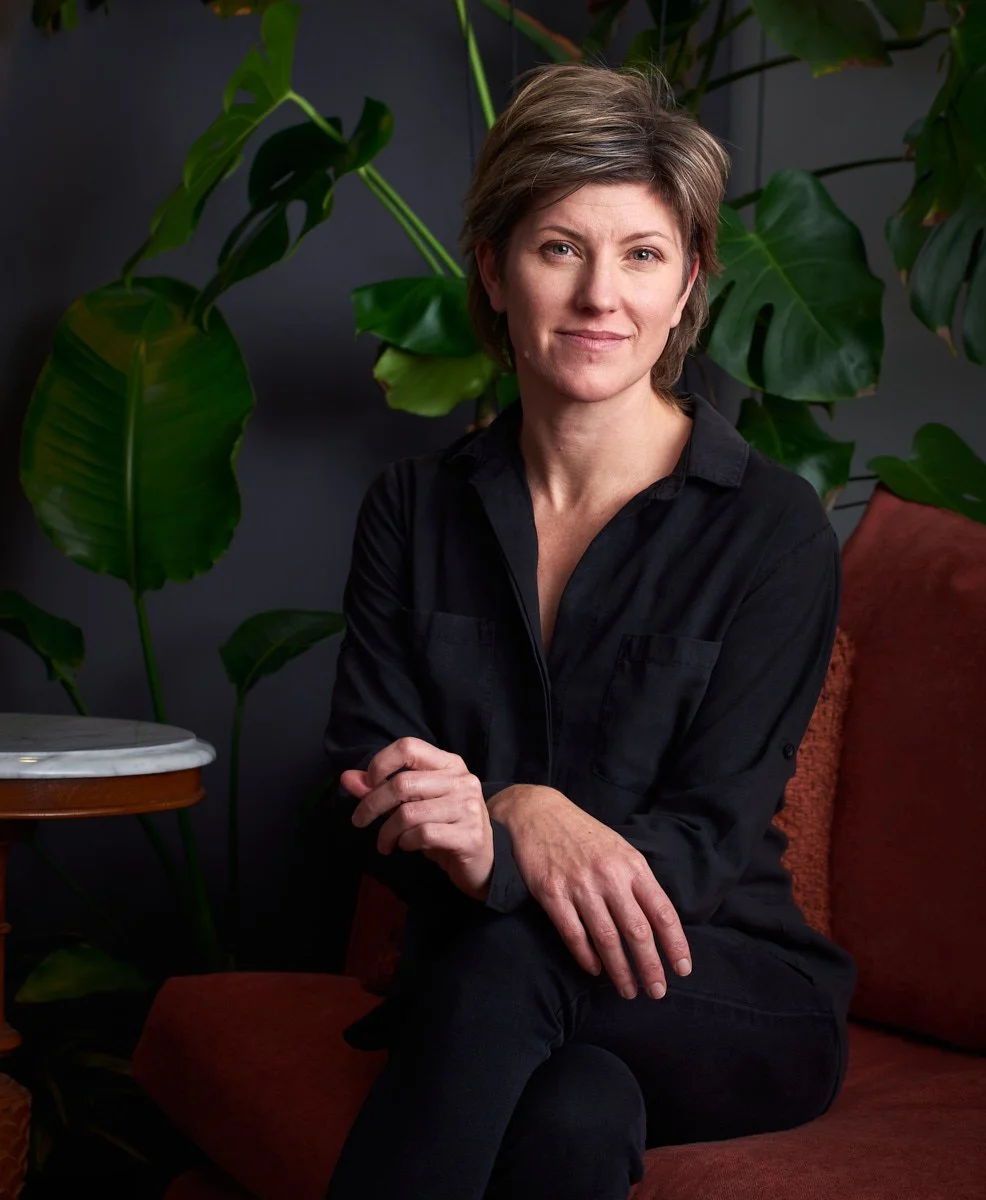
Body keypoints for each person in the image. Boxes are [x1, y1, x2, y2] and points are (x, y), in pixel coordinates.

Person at [322, 62, 857, 1200]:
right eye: (560, 247)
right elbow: (369, 782)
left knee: (513, 955)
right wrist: (486, 829)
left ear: (688, 285)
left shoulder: (771, 530)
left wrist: (507, 829)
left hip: (722, 980)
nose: (599, 295)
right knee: (575, 1112)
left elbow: (709, 842)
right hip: (510, 990)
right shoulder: (412, 512)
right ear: (495, 270)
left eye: (643, 254)